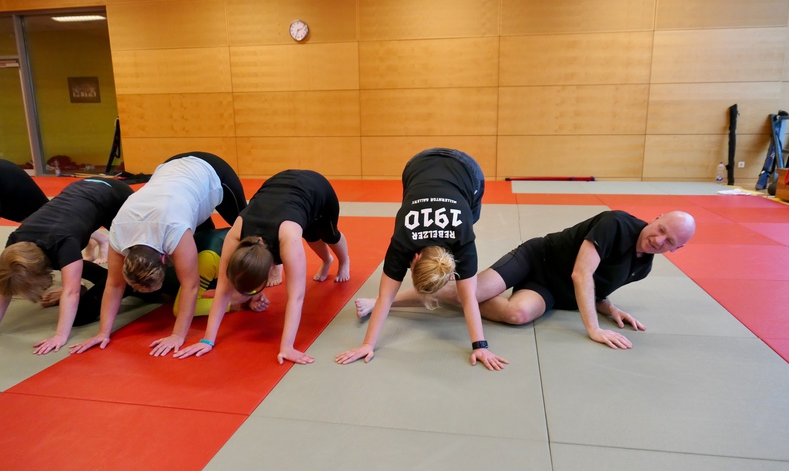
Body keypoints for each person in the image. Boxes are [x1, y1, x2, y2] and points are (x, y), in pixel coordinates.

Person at [356, 210, 696, 350]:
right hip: (537, 258)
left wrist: (610, 307)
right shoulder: (616, 224)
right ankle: (383, 301)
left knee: (517, 314)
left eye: (669, 241)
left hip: (549, 290)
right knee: (472, 292)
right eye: (660, 229)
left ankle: (457, 297)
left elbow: (597, 285)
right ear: (656, 218)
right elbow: (582, 273)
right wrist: (593, 328)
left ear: (677, 249)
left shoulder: (642, 268)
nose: (658, 239)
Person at [335, 148, 508, 371]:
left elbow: (468, 298)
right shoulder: (405, 240)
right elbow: (466, 299)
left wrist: (480, 346)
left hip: (451, 169)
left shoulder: (461, 237)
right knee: (446, 210)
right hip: (426, 167)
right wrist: (367, 344)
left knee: (469, 215)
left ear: (414, 258)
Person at [68, 152, 246, 357]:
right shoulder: (119, 233)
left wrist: (177, 335)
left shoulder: (175, 233)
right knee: (196, 237)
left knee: (246, 227)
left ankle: (272, 267)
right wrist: (103, 333)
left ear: (164, 258)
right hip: (170, 173)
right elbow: (114, 285)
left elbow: (191, 286)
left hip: (211, 169)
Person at [173, 169, 350, 363]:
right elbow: (223, 290)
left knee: (328, 234)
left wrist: (287, 347)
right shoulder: (235, 236)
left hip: (315, 188)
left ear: (270, 269)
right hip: (279, 192)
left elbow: (296, 297)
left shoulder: (289, 239)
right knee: (311, 235)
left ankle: (343, 261)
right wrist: (207, 340)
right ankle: (327, 260)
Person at [0, 177, 134, 354]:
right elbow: (4, 287)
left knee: (133, 255)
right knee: (65, 265)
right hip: (83, 188)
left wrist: (60, 336)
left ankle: (142, 285)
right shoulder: (15, 243)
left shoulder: (64, 243)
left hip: (115, 195)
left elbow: (72, 292)